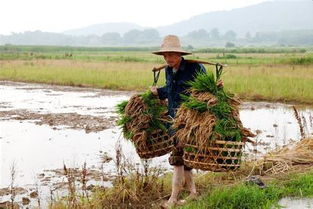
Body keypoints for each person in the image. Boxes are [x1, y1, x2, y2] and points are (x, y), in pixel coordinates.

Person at [150, 35, 206, 207]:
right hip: (174, 120)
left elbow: (205, 91)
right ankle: (193, 193)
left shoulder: (195, 68)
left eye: (172, 55)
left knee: (177, 159)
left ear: (180, 54)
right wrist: (157, 92)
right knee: (184, 159)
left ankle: (173, 199)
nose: (168, 59)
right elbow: (169, 90)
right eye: (166, 56)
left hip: (190, 121)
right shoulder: (168, 69)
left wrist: (216, 86)